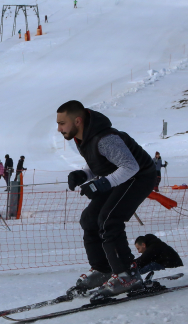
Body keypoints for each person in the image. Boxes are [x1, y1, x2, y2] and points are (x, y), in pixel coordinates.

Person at [57, 99, 158, 298]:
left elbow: (130, 167)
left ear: (77, 121)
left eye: (62, 123)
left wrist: (101, 184)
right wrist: (84, 175)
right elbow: (101, 163)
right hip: (121, 178)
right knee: (89, 219)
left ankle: (126, 275)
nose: (59, 129)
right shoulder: (83, 138)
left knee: (109, 219)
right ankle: (104, 270)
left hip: (139, 177)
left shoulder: (105, 138)